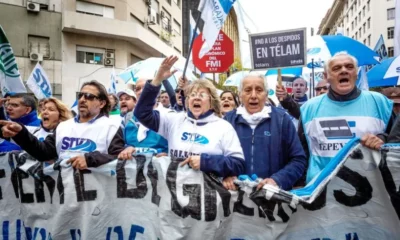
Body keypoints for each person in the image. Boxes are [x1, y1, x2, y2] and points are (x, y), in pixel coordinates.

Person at [120, 56, 245, 180]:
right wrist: (158, 79)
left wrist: (206, 162)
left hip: (208, 197)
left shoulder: (223, 127)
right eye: (193, 95)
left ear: (212, 101)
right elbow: (142, 113)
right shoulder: (173, 120)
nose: (196, 98)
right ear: (187, 100)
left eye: (202, 95)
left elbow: (238, 164)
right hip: (173, 194)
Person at [299, 52, 396, 183]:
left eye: (349, 67)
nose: (344, 70)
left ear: (356, 73)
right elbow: (300, 154)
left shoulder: (380, 103)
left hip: (371, 192)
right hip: (321, 192)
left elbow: (396, 141)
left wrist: (382, 139)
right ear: (326, 76)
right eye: (336, 68)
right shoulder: (308, 108)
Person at [0, 80, 125, 169]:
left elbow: (119, 159)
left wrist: (90, 159)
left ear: (102, 103)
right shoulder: (64, 127)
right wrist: (21, 133)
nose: (82, 99)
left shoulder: (112, 127)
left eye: (89, 96)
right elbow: (43, 152)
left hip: (97, 200)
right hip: (65, 197)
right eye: (80, 95)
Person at [223, 73, 307, 191]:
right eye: (247, 90)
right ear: (240, 95)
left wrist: (277, 180)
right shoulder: (228, 121)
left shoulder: (282, 119)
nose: (253, 95)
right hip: (236, 198)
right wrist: (226, 176)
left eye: (259, 90)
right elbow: (217, 156)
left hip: (273, 198)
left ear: (266, 94)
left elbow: (298, 159)